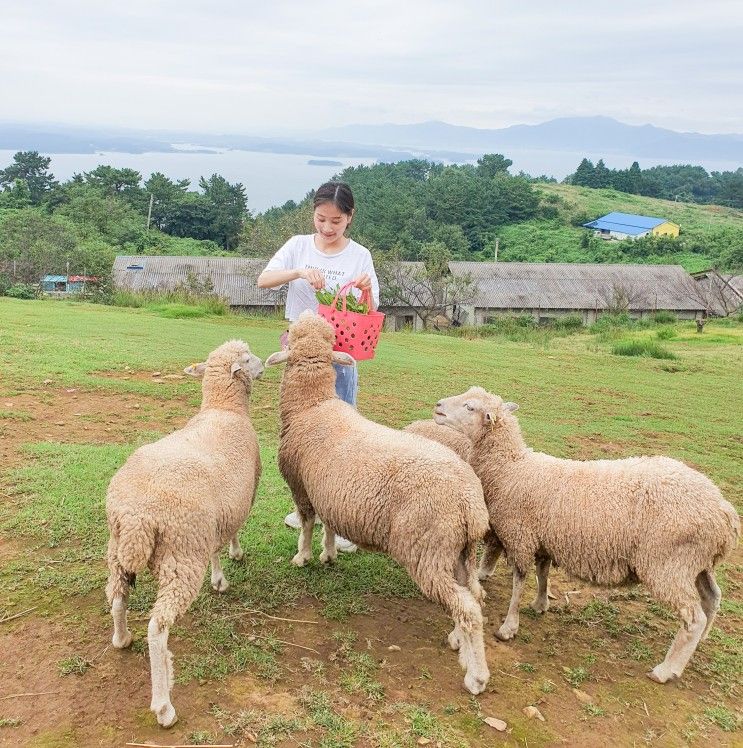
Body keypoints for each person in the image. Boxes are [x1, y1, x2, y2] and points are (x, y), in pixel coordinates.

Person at [257, 181, 380, 552]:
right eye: (321, 219)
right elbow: (263, 280)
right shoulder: (297, 246)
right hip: (300, 354)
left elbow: (372, 308)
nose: (327, 228)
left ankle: (341, 520)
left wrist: (364, 290)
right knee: (299, 433)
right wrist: (297, 273)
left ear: (350, 218)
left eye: (336, 221)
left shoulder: (360, 255)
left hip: (339, 353)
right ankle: (305, 506)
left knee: (339, 435)